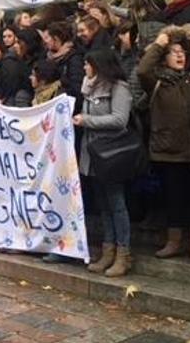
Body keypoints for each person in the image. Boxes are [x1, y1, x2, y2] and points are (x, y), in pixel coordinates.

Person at [137, 28, 190, 263]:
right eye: (173, 52)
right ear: (164, 57)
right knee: (173, 198)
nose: (180, 56)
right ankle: (174, 241)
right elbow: (142, 69)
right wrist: (159, 43)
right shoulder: (157, 81)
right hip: (168, 150)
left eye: (182, 53)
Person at [76, 49, 133, 277]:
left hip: (111, 154)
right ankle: (108, 249)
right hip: (92, 154)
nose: (85, 68)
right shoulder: (88, 86)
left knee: (116, 203)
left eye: (88, 64)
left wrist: (87, 120)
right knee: (103, 204)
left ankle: (123, 252)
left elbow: (120, 119)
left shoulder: (119, 88)